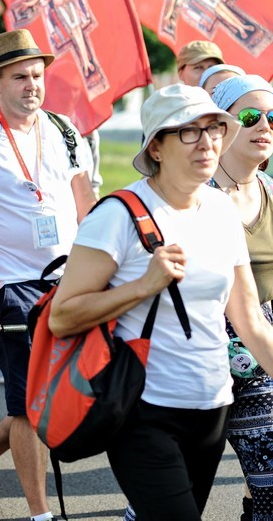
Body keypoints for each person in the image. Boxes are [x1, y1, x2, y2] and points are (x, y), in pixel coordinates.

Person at [48, 83, 273, 519]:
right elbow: (63, 316)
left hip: (211, 406)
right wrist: (142, 285)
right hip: (144, 411)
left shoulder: (221, 211)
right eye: (189, 131)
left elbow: (250, 318)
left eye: (214, 129)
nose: (206, 142)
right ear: (156, 147)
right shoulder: (117, 215)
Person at [0, 29, 96, 521]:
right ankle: (40, 514)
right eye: (19, 77)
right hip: (10, 286)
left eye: (37, 75)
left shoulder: (66, 132)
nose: (32, 85)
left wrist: (103, 274)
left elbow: (87, 209)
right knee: (30, 406)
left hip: (69, 280)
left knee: (69, 394)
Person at [209, 75, 273, 521]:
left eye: (272, 117)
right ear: (222, 125)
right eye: (250, 116)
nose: (264, 126)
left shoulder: (271, 189)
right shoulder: (193, 194)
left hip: (260, 356)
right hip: (197, 359)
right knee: (170, 500)